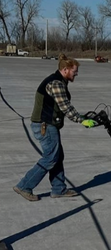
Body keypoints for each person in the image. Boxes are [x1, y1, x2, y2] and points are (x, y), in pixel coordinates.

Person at [14, 55, 96, 201]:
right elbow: (65, 106)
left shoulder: (59, 81)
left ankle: (58, 189)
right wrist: (80, 120)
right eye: (74, 71)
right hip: (44, 125)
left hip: (47, 124)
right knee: (51, 157)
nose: (76, 74)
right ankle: (24, 186)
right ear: (65, 70)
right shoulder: (56, 83)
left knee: (57, 156)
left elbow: (63, 106)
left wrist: (82, 117)